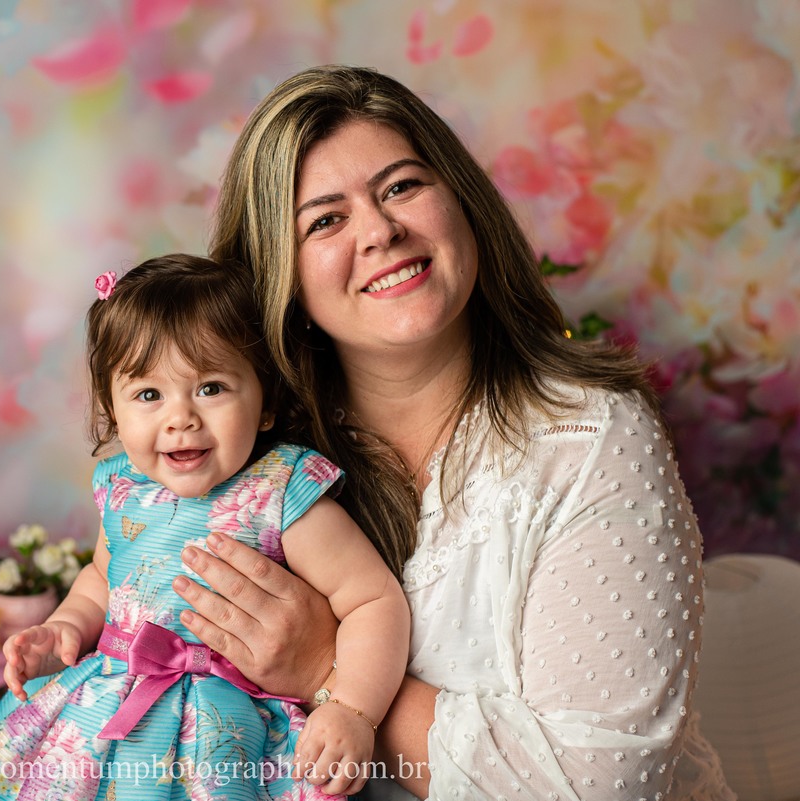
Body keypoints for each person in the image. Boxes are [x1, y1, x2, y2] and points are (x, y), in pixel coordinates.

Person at [167, 65, 737, 800]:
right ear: (282, 278)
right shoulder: (249, 461)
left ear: (461, 201)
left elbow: (602, 786)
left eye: (402, 186)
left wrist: (324, 668)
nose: (380, 230)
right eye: (326, 219)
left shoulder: (590, 437)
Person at [0, 253, 411, 801]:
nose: (180, 416)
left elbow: (373, 600)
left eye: (210, 387)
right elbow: (101, 577)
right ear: (113, 411)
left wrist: (352, 708)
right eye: (148, 395)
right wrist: (66, 627)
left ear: (265, 403)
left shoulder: (279, 492)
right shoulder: (121, 488)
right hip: (105, 705)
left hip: (221, 727)